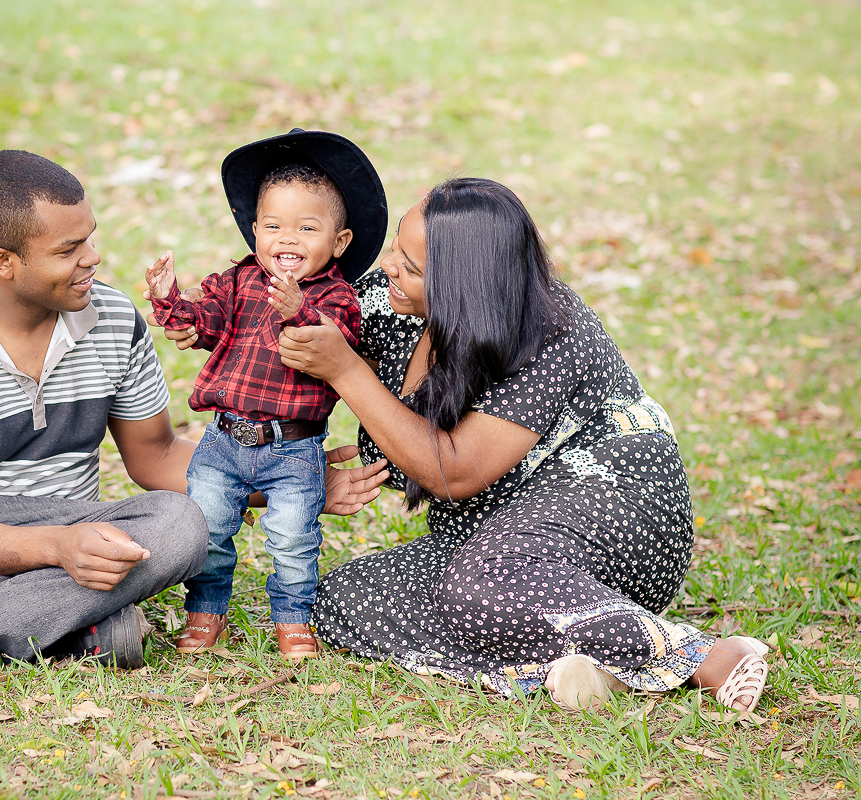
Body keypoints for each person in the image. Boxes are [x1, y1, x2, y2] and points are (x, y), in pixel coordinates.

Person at [0, 149, 388, 680]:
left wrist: (288, 487)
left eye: (90, 236)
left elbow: (156, 458)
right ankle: (70, 629)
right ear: (3, 261)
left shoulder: (114, 320)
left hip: (84, 520)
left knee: (180, 525)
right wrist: (56, 549)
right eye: (69, 249)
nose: (93, 257)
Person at [265, 177, 770, 712]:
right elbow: (275, 341)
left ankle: (703, 655)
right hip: (490, 542)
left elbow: (452, 472)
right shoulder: (383, 304)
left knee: (479, 585)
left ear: (467, 289)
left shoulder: (553, 332)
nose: (389, 267)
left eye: (411, 266)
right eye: (396, 249)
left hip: (611, 512)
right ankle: (590, 672)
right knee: (346, 600)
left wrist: (346, 370)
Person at [146, 129, 387, 660]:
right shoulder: (235, 280)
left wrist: (297, 309)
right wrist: (171, 301)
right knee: (207, 532)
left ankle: (294, 620)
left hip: (293, 448)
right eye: (273, 226)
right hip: (223, 440)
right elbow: (204, 323)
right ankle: (206, 612)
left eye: (307, 228)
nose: (288, 240)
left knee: (293, 539)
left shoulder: (339, 297)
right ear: (255, 230)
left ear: (338, 242)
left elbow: (337, 341)